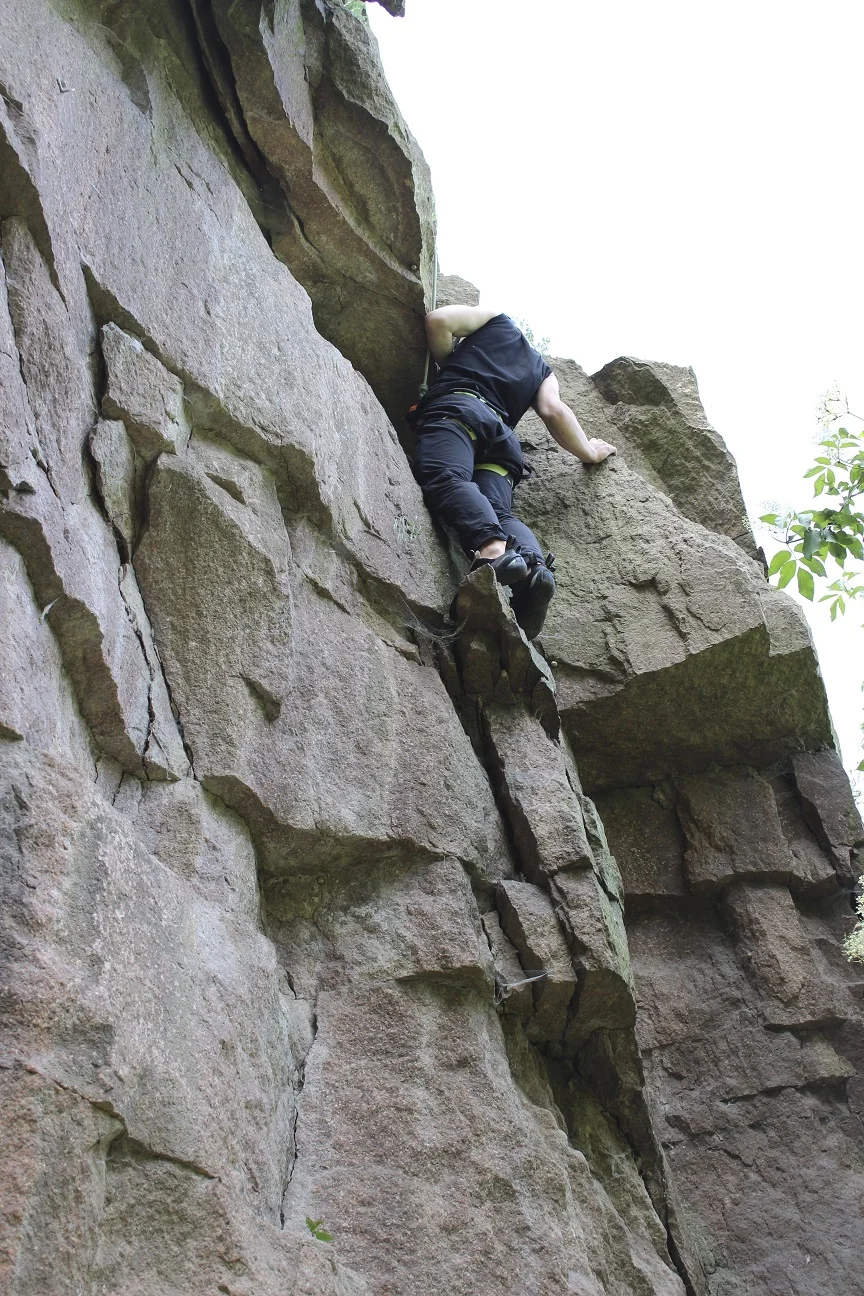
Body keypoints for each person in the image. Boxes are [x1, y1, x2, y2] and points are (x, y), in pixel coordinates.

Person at [409, 306, 616, 639]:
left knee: (446, 478)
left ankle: (493, 552)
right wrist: (590, 452)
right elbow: (553, 410)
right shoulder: (542, 371)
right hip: (503, 443)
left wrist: (450, 365)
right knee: (500, 512)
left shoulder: (496, 321)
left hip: (460, 410)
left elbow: (439, 321)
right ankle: (534, 571)